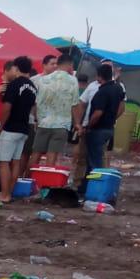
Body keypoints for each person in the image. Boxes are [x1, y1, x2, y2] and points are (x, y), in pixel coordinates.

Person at [78, 61, 126, 195]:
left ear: (99, 77)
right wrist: (112, 119)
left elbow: (97, 113)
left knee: (94, 162)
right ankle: (85, 187)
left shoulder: (102, 92)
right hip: (109, 128)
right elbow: (121, 106)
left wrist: (89, 125)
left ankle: (95, 190)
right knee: (94, 159)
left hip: (97, 130)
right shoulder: (118, 88)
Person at [31, 51, 80, 169]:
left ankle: (27, 180)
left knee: (36, 154)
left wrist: (37, 119)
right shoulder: (73, 80)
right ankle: (45, 184)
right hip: (61, 125)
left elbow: (37, 102)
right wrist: (77, 123)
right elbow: (74, 104)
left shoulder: (44, 79)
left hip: (43, 123)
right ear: (70, 65)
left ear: (58, 64)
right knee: (51, 155)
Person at [0, 57, 37, 198]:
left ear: (17, 68)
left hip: (11, 128)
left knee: (3, 162)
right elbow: (33, 108)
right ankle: (10, 192)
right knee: (16, 161)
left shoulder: (14, 84)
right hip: (24, 127)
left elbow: (7, 107)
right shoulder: (33, 87)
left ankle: (4, 194)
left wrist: (2, 125)